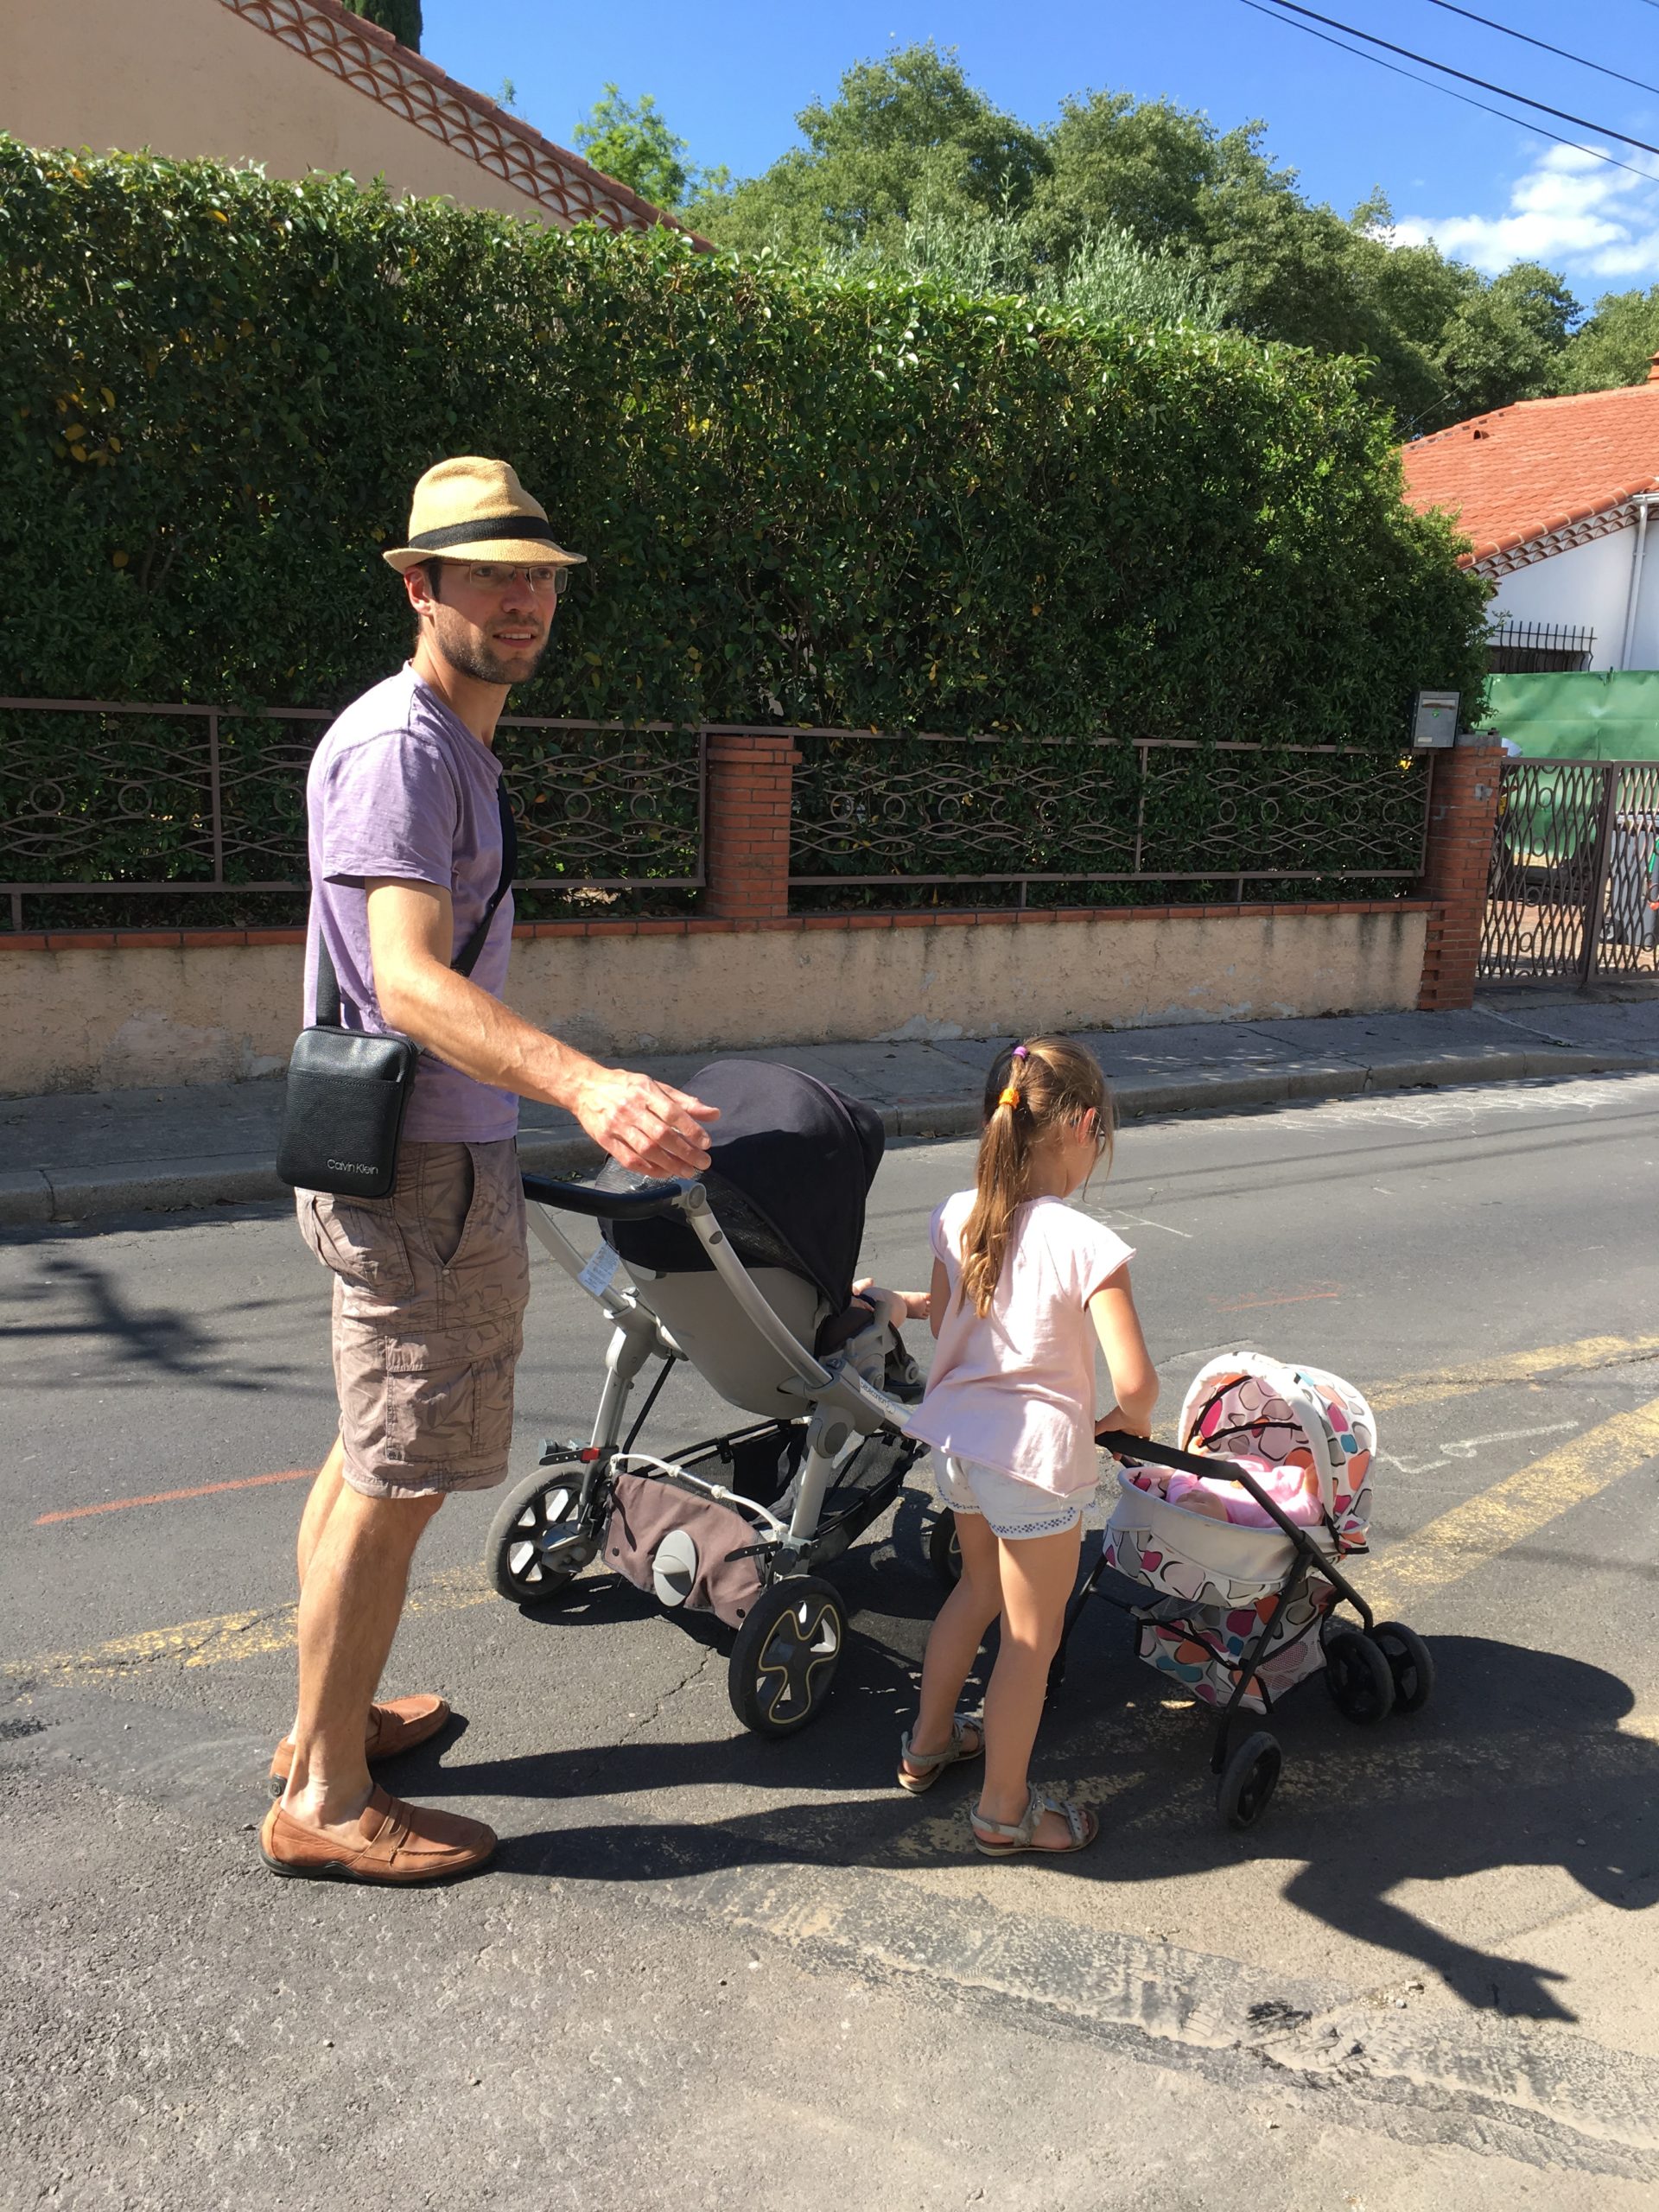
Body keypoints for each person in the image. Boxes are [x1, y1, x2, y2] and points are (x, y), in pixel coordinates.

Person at [260, 457, 718, 1885]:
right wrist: (587, 1085)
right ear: (421, 586)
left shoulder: (445, 743)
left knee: (370, 1457)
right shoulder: (404, 750)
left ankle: (324, 1728)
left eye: (540, 578)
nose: (524, 600)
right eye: (489, 575)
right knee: (398, 1480)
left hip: (409, 1159)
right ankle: (327, 1799)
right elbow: (403, 980)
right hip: (421, 1174)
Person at [891, 1037, 1158, 1857]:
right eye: (1099, 1136)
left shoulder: (956, 1214)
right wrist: (1126, 1421)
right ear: (1081, 1127)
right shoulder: (1085, 1243)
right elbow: (1137, 1382)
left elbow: (943, 1323)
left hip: (959, 1446)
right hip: (1033, 1463)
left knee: (975, 1592)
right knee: (1029, 1641)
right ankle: (1003, 1813)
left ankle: (927, 1745)